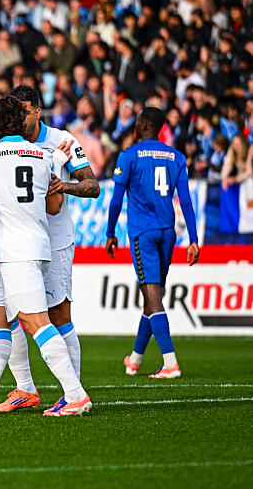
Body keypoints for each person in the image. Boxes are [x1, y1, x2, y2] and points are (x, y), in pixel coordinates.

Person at [0, 96, 91, 417]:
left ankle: (75, 394)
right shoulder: (45, 155)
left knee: (35, 322)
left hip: (16, 252)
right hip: (38, 247)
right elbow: (54, 206)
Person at [106, 107, 199, 379]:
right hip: (168, 233)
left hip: (143, 233)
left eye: (136, 123)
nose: (134, 127)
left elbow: (116, 201)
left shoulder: (129, 156)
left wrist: (110, 232)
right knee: (152, 296)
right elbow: (186, 201)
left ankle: (170, 362)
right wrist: (193, 239)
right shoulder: (176, 157)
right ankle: (135, 359)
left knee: (153, 297)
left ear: (144, 126)